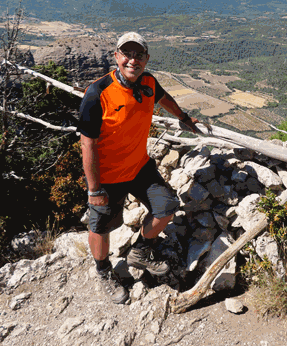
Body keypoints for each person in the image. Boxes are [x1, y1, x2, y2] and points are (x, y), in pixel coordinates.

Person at [77, 31, 202, 304]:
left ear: (146, 59)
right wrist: (94, 190)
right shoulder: (97, 94)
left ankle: (140, 251)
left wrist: (183, 117)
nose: (133, 60)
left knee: (166, 206)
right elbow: (87, 145)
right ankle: (103, 271)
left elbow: (162, 97)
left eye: (139, 55)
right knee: (101, 226)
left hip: (139, 167)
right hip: (107, 176)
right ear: (116, 57)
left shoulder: (148, 82)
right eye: (127, 54)